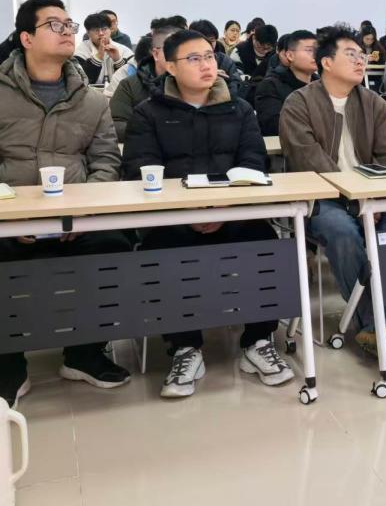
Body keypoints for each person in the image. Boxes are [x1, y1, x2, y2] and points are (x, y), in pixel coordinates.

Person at [0, 0, 130, 405]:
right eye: (55, 24)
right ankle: (6, 366)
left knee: (114, 247)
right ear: (26, 38)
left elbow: (106, 162)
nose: (67, 31)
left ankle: (85, 354)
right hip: (5, 222)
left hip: (75, 222)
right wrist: (11, 219)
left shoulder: (90, 100)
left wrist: (80, 215)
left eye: (69, 24)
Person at [122, 29, 293, 397]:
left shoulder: (239, 109)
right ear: (169, 66)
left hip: (232, 213)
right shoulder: (149, 112)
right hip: (173, 217)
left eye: (210, 56)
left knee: (267, 244)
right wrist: (187, 211)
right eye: (194, 58)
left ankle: (258, 341)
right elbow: (139, 169)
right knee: (163, 252)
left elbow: (253, 162)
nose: (206, 65)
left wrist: (224, 208)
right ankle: (185, 348)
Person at [280, 28, 386, 370]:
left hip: (373, 195)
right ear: (326, 63)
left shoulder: (373, 103)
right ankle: (377, 325)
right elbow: (307, 160)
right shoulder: (299, 103)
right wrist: (355, 201)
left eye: (362, 55)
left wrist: (371, 198)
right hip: (323, 199)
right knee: (343, 233)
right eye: (351, 55)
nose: (361, 61)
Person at [110, 18, 182, 141]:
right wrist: (157, 131)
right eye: (171, 49)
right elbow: (115, 125)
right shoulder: (130, 85)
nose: (179, 55)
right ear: (156, 54)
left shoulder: (197, 83)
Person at [255, 29, 317, 136]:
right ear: (290, 56)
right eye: (309, 50)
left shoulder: (324, 86)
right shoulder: (270, 86)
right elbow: (275, 126)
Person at [188, 18, 245, 97]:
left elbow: (236, 82)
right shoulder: (185, 59)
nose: (209, 44)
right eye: (205, 40)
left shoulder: (224, 60)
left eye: (212, 40)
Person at [74, 12, 133, 86]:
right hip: (90, 92)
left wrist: (118, 60)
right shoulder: (80, 52)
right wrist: (98, 57)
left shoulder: (124, 51)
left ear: (110, 30)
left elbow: (131, 81)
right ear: (88, 33)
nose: (101, 33)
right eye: (96, 30)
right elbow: (81, 82)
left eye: (104, 29)